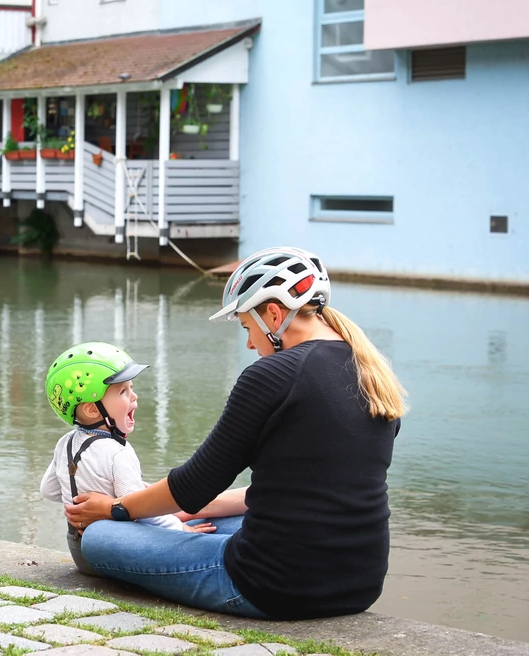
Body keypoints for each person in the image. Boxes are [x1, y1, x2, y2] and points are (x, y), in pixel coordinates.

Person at [65, 247, 407, 620]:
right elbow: (298, 490)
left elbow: (194, 485)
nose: (249, 344)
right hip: (359, 584)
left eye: (247, 327)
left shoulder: (272, 375)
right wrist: (180, 513)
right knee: (205, 520)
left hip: (272, 587)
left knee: (100, 538)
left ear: (273, 315)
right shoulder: (372, 372)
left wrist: (117, 509)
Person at [40, 341, 215, 575]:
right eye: (123, 391)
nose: (134, 397)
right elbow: (141, 509)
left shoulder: (65, 443)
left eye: (131, 388)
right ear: (93, 409)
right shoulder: (118, 452)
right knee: (195, 534)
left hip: (78, 550)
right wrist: (182, 529)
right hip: (114, 550)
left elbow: (48, 491)